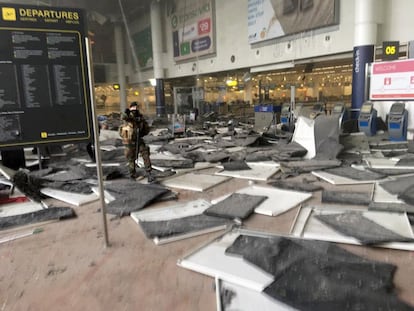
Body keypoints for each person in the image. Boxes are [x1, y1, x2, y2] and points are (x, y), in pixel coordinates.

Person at [119, 102, 155, 182]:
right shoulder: (128, 116)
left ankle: (149, 173)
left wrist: (140, 122)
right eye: (133, 107)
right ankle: (132, 175)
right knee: (131, 159)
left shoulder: (140, 117)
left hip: (139, 140)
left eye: (136, 107)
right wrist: (127, 113)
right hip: (130, 141)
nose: (135, 109)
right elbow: (124, 117)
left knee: (145, 155)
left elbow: (146, 129)